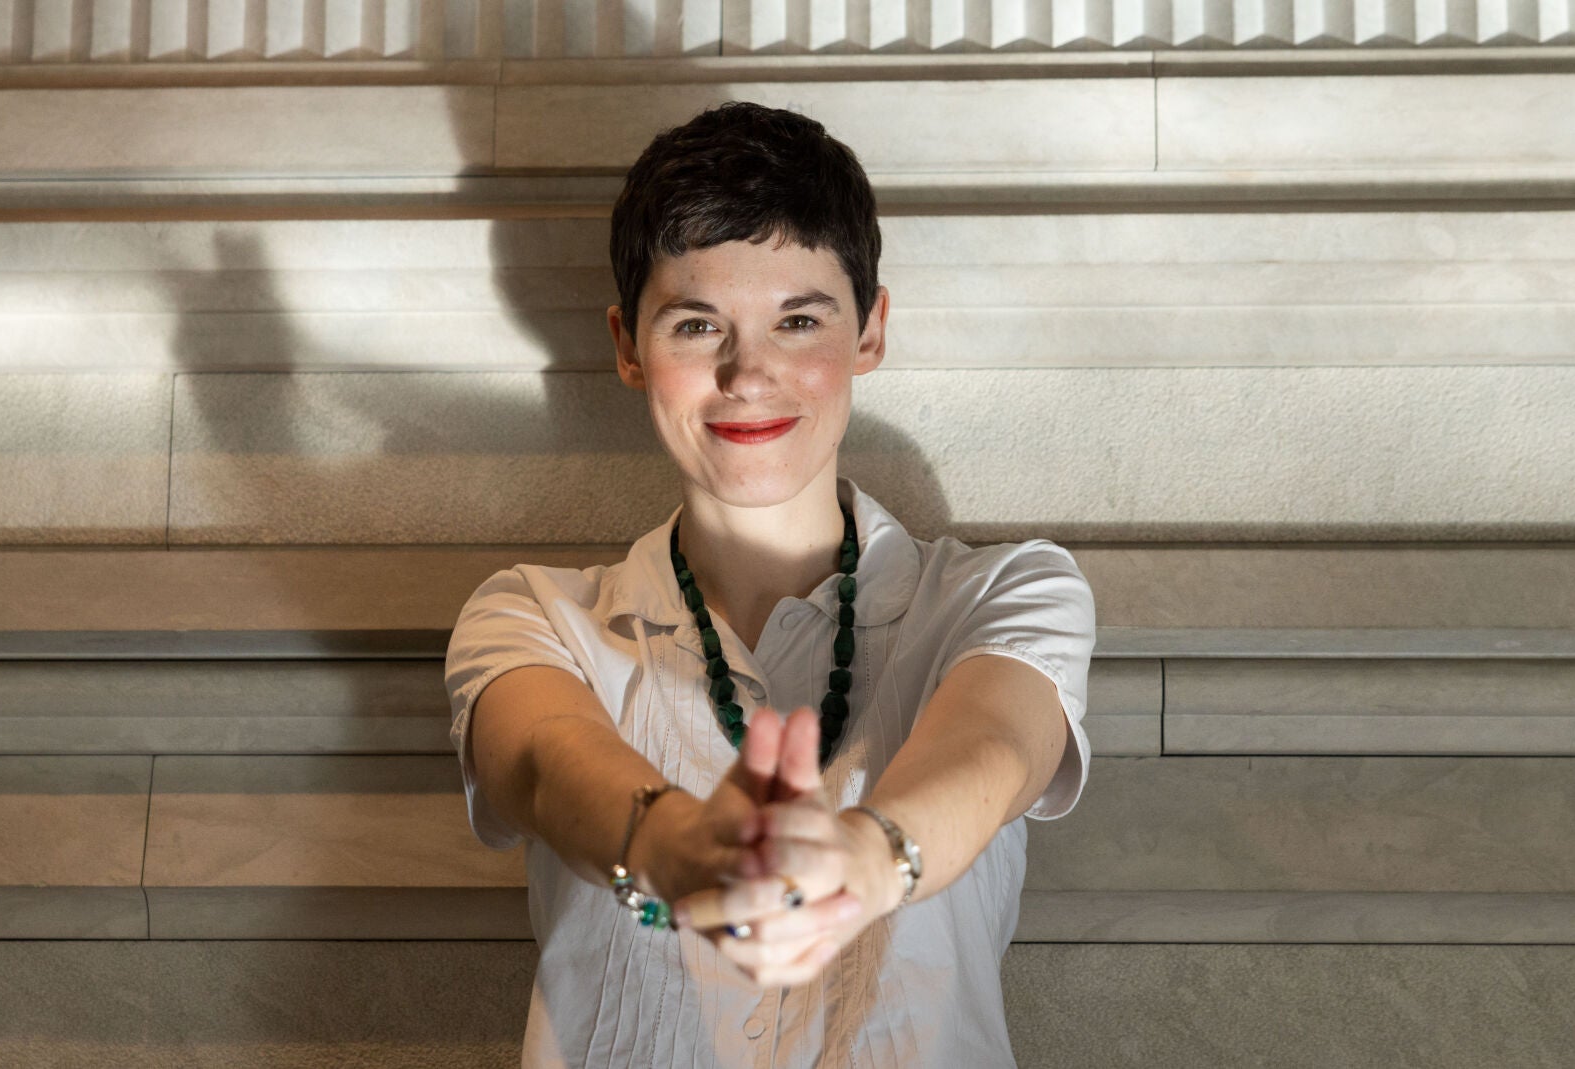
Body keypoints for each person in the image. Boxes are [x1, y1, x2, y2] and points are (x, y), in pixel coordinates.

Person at [445, 101, 1096, 1068]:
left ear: (870, 331)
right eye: (697, 324)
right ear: (628, 346)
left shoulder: (1005, 594)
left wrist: (867, 858)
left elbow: (997, 746)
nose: (748, 373)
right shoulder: (532, 614)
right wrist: (676, 847)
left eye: (798, 320)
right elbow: (542, 760)